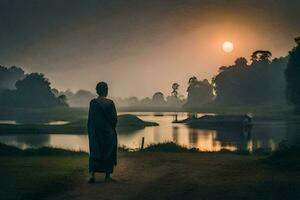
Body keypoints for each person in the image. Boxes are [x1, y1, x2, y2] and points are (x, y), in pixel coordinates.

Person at [87, 82, 118, 183]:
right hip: (108, 133)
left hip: (96, 133)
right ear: (106, 90)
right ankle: (107, 176)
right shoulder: (110, 103)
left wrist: (91, 132)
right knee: (108, 153)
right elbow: (114, 119)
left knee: (95, 152)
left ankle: (92, 175)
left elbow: (91, 120)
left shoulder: (93, 103)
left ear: (97, 91)